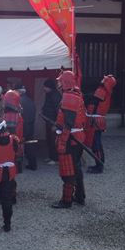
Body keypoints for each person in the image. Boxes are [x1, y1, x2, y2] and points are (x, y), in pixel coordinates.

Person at [51, 70, 87, 209]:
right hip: (77, 137)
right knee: (76, 169)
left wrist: (62, 140)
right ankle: (79, 196)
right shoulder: (75, 93)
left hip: (71, 138)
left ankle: (66, 201)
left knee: (68, 171)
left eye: (60, 81)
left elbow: (69, 123)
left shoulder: (69, 97)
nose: (58, 83)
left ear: (65, 82)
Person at [84, 75, 117, 174]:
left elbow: (91, 99)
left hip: (95, 120)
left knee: (96, 144)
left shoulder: (101, 91)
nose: (102, 79)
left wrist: (80, 95)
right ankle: (99, 164)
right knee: (97, 143)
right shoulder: (106, 91)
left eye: (105, 79)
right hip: (98, 119)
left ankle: (99, 166)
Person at [14, 84, 37, 171]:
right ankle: (33, 164)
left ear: (18, 91)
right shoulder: (30, 100)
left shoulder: (19, 101)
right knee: (30, 146)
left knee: (19, 146)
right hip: (31, 125)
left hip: (23, 126)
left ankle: (18, 167)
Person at [41, 79, 61, 165]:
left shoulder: (55, 96)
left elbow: (58, 111)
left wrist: (57, 124)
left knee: (54, 141)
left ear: (49, 87)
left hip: (53, 122)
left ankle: (55, 158)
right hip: (49, 121)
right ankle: (51, 156)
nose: (44, 88)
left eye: (45, 86)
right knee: (49, 139)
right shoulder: (49, 94)